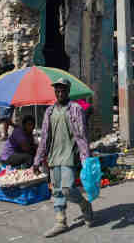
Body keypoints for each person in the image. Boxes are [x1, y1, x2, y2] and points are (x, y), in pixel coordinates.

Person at [33, 78, 93, 238]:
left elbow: (82, 135)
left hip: (69, 155)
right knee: (57, 191)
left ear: (68, 91)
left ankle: (84, 205)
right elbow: (45, 137)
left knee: (67, 189)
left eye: (63, 90)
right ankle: (61, 222)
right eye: (57, 90)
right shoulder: (50, 111)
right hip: (53, 156)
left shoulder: (76, 109)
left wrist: (86, 157)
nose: (60, 93)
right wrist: (37, 160)